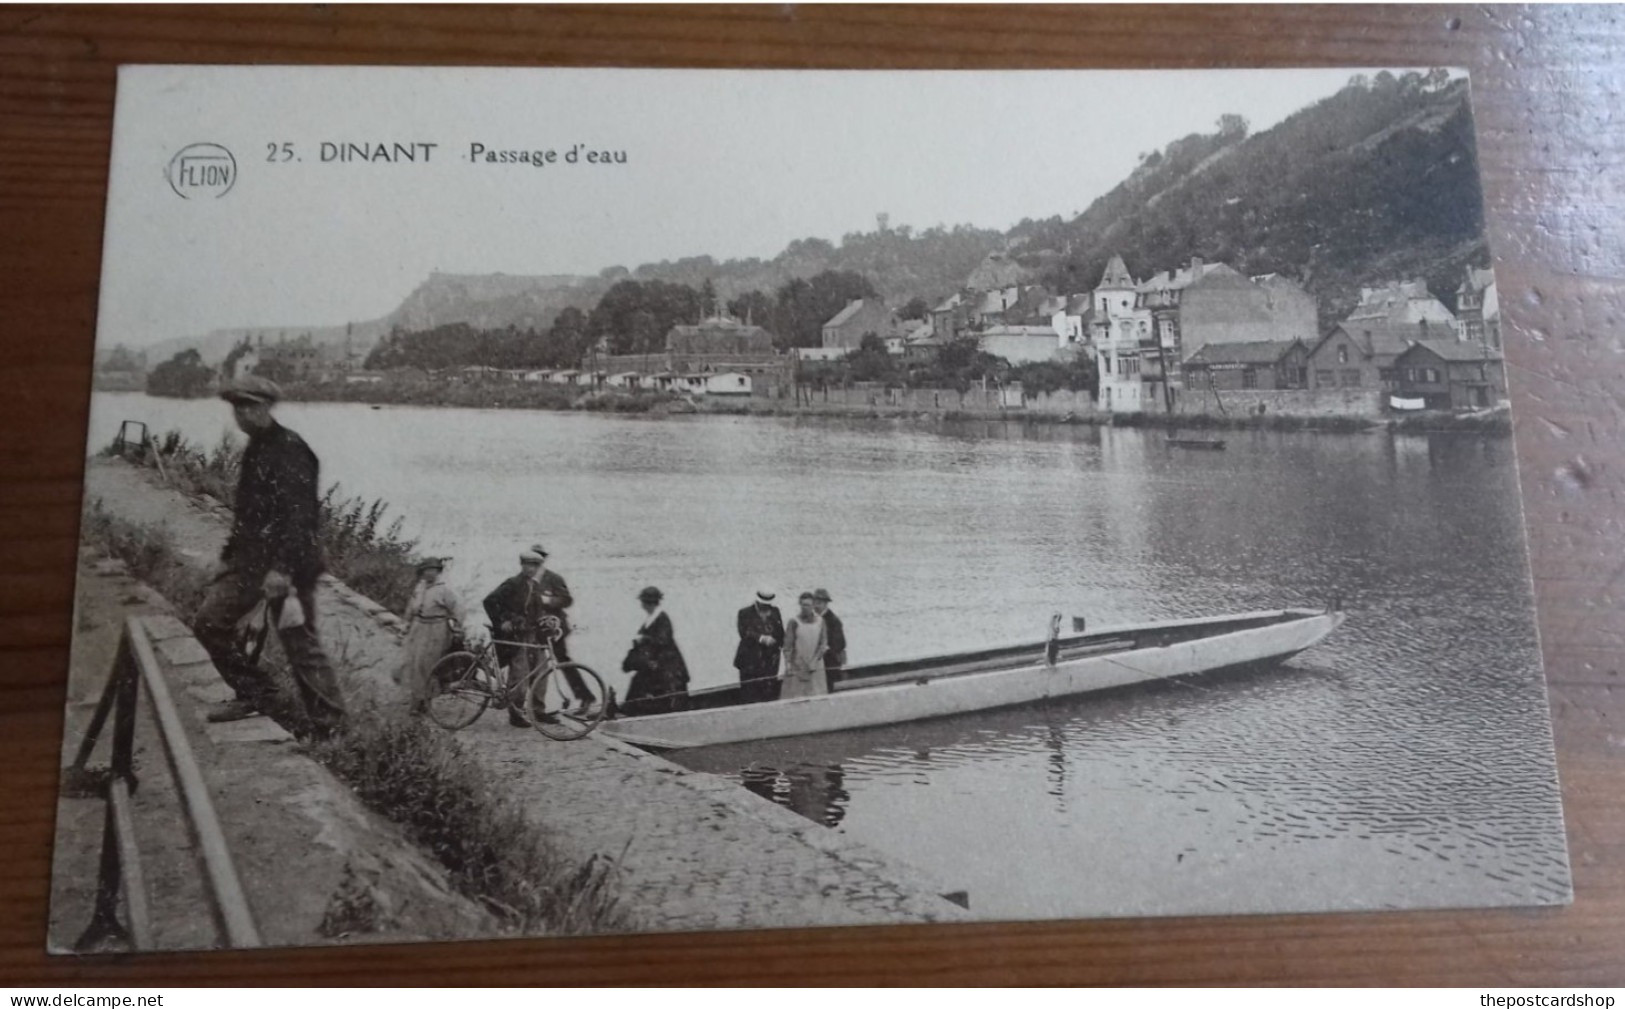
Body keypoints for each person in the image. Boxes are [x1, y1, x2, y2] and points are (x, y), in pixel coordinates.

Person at [193, 375, 347, 739]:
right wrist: (228, 558)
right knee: (209, 622)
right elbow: (247, 514)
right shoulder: (256, 448)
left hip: (289, 568)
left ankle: (333, 730)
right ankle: (257, 693)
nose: (242, 415)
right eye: (237, 408)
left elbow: (301, 517)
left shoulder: (291, 449)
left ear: (265, 407)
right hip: (249, 563)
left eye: (249, 406)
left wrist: (282, 569)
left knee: (300, 644)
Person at [482, 544, 588, 727]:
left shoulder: (537, 586)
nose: (530, 569)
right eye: (527, 565)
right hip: (517, 636)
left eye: (534, 566)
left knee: (541, 672)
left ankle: (539, 711)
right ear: (522, 565)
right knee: (520, 674)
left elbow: (538, 611)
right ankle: (515, 713)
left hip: (535, 635)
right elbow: (490, 601)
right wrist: (502, 621)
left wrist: (548, 623)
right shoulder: (513, 583)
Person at [395, 557, 464, 713]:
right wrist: (405, 625)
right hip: (419, 627)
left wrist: (458, 628)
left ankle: (425, 702)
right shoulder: (420, 587)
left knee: (428, 665)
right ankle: (415, 698)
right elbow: (411, 608)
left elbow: (458, 609)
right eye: (425, 570)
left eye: (432, 570)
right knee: (413, 663)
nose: (428, 573)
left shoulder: (445, 589)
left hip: (436, 629)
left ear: (438, 571)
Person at [620, 586, 690, 716]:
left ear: (647, 603)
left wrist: (644, 639)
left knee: (655, 688)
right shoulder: (652, 618)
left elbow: (663, 640)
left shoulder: (662, 618)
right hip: (656, 663)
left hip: (668, 666)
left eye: (643, 602)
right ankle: (631, 710)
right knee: (639, 682)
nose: (641, 605)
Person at [733, 589, 784, 704]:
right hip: (749, 663)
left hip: (770, 663)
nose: (766, 607)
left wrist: (778, 643)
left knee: (769, 695)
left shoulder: (775, 612)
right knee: (749, 695)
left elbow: (780, 634)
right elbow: (744, 632)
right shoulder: (744, 613)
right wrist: (761, 638)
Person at [780, 592, 828, 699]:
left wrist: (815, 661)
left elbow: (823, 643)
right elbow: (787, 646)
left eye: (808, 605)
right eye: (803, 605)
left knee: (818, 696)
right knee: (795, 697)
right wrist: (788, 663)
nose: (805, 608)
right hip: (798, 665)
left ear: (813, 605)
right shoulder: (793, 622)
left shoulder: (821, 621)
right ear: (799, 605)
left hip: (816, 665)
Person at [811, 588, 846, 687]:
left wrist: (826, 648)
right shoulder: (812, 618)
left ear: (826, 604)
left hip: (829, 662)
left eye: (819, 603)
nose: (816, 606)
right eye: (814, 603)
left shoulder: (833, 621)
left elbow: (840, 643)